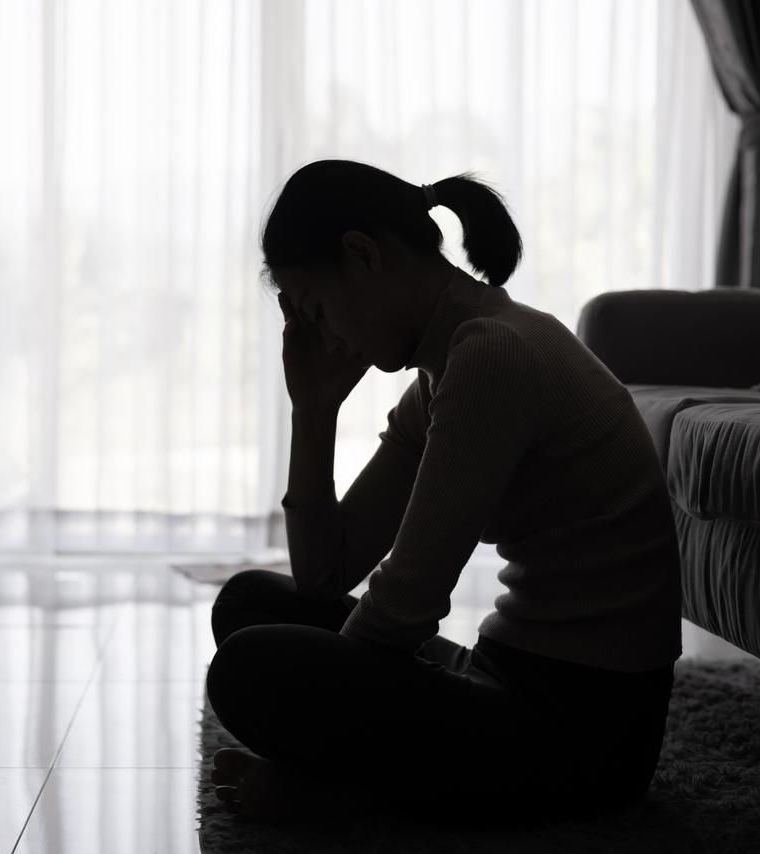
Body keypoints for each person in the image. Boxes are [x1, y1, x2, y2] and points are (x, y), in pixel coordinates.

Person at [204, 159, 681, 828]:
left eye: (318, 311)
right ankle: (365, 787)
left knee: (248, 669)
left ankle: (349, 803)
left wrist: (328, 697)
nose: (327, 337)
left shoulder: (492, 357)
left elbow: (403, 609)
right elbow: (325, 574)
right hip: (515, 675)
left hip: (589, 736)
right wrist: (312, 412)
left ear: (361, 255)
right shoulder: (449, 365)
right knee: (250, 605)